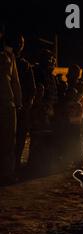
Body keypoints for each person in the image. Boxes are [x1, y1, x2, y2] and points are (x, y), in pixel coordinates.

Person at [3, 33, 36, 171]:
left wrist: (23, 104)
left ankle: (13, 166)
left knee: (17, 139)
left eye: (21, 43)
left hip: (18, 106)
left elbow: (28, 87)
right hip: (7, 104)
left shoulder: (23, 64)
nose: (20, 46)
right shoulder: (7, 57)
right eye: (17, 43)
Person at [0, 31, 22, 185]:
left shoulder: (9, 56)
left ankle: (7, 173)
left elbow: (15, 81)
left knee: (8, 141)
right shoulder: (7, 56)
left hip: (8, 102)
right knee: (7, 141)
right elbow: (15, 81)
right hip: (7, 103)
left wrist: (18, 100)